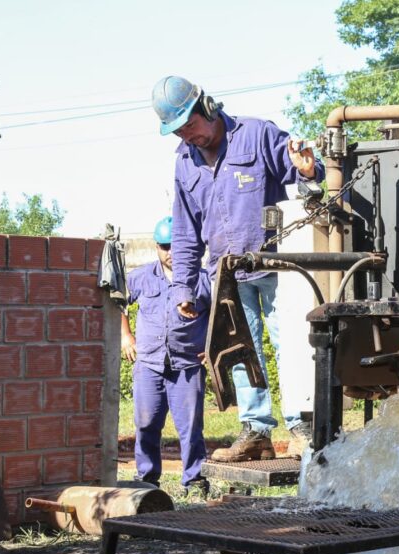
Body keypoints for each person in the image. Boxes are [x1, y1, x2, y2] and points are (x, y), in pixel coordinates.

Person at [151, 75, 323, 462]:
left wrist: (309, 170)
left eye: (189, 126)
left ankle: (301, 427)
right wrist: (183, 288)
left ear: (207, 108)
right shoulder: (183, 162)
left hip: (278, 267)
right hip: (225, 273)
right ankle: (256, 431)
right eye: (177, 131)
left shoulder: (257, 135)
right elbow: (184, 232)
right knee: (238, 349)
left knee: (291, 345)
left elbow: (305, 174)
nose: (186, 137)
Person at [121, 217, 211, 494]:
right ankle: (146, 480)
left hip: (187, 365)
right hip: (149, 363)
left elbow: (224, 316)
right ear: (157, 247)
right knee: (146, 423)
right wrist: (126, 336)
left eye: (177, 246)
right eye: (165, 246)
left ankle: (194, 480)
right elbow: (117, 303)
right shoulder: (141, 277)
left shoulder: (204, 280)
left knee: (190, 427)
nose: (171, 252)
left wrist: (213, 347)